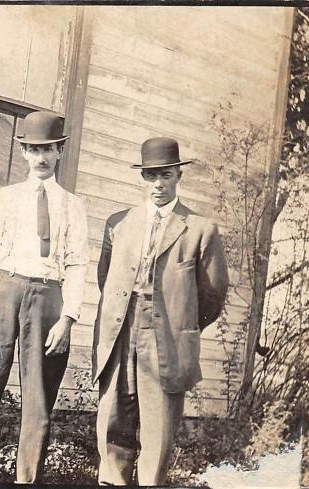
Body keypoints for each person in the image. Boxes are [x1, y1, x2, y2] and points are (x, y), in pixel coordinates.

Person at [93, 137, 229, 485]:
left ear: (177, 176)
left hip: (167, 335)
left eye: (165, 174)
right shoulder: (119, 223)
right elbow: (105, 278)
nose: (157, 183)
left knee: (159, 426)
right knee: (115, 417)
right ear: (142, 177)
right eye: (150, 175)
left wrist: (181, 324)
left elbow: (212, 295)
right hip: (123, 328)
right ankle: (113, 480)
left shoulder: (200, 230)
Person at [0, 111, 89, 483]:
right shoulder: (6, 198)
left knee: (38, 399)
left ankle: (27, 478)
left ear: (60, 150)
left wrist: (68, 318)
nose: (40, 158)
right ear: (23, 153)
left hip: (48, 298)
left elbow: (78, 264)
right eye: (33, 150)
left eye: (47, 149)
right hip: (2, 291)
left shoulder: (73, 206)